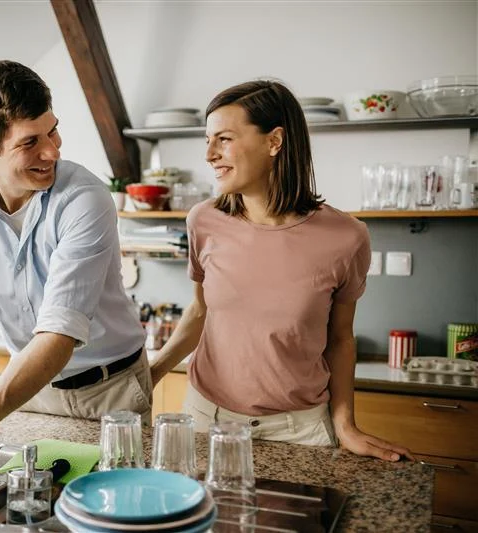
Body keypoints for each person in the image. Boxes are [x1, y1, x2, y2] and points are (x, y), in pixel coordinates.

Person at [149, 80, 413, 461]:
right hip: (206, 419)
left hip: (300, 431)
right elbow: (200, 311)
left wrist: (345, 426)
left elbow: (340, 340)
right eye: (207, 140)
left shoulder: (347, 236)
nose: (209, 154)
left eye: (223, 138)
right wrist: (153, 372)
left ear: (274, 142)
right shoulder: (203, 221)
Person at [0, 60, 150, 474]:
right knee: (30, 510)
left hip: (111, 392)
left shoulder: (85, 199)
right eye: (30, 142)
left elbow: (59, 331)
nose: (52, 150)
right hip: (29, 393)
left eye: (53, 130)